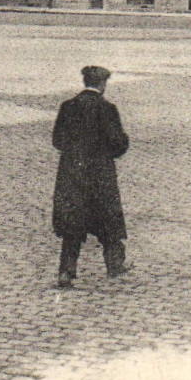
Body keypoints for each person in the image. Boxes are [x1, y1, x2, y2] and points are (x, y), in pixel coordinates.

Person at [52, 65, 131, 287]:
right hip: (100, 176)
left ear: (85, 82)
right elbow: (118, 144)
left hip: (72, 174)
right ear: (102, 84)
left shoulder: (67, 107)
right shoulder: (107, 109)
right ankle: (114, 265)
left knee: (72, 224)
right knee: (108, 219)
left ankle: (66, 272)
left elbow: (57, 141)